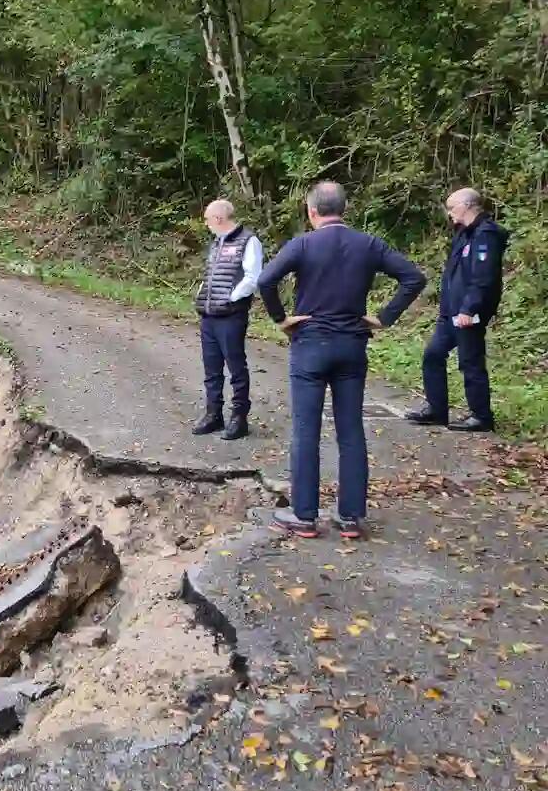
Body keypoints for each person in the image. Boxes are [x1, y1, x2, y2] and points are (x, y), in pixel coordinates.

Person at [258, 182, 426, 540]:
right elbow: (414, 278)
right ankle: (350, 517)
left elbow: (266, 280)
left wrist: (281, 319)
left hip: (310, 345)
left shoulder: (303, 243)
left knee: (306, 430)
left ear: (311, 211)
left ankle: (304, 516)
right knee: (351, 431)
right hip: (352, 346)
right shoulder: (368, 244)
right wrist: (383, 317)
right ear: (344, 209)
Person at [406, 188, 508, 433]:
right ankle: (436, 409)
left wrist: (469, 308)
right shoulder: (464, 234)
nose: (449, 213)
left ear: (467, 206)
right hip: (450, 311)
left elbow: (483, 278)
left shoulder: (486, 235)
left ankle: (481, 416)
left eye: (452, 207)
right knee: (433, 355)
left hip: (468, 312)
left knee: (470, 362)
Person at [191, 199, 263, 441]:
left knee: (236, 367)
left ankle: (239, 417)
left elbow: (253, 278)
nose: (206, 224)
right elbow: (210, 274)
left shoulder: (248, 241)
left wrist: (230, 298)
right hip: (208, 315)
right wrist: (201, 294)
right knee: (211, 368)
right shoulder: (215, 243)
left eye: (207, 219)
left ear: (219, 219)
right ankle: (214, 414)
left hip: (231, 315)